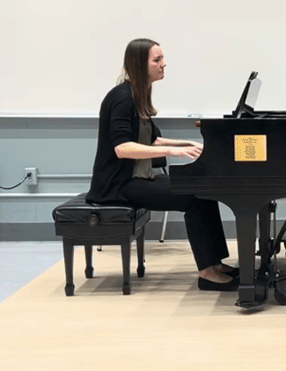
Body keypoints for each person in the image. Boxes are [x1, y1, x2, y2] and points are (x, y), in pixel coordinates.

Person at [86, 38, 239, 291]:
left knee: (203, 189)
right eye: (157, 60)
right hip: (118, 185)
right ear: (139, 64)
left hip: (138, 178)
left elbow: (152, 139)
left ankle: (216, 263)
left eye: (162, 58)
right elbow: (122, 148)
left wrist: (184, 145)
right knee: (192, 197)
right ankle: (207, 273)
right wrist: (172, 151)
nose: (163, 64)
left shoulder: (137, 94)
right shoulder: (122, 98)